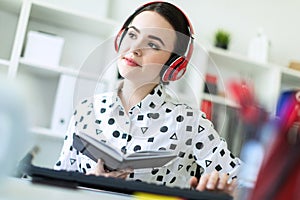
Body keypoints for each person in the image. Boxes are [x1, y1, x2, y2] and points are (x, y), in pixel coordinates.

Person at [54, 1, 242, 197]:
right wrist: (90, 182)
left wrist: (224, 190)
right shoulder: (86, 110)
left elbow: (244, 182)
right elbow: (56, 185)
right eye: (133, 35)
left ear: (173, 65)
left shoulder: (191, 123)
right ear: (120, 38)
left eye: (152, 44)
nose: (134, 48)